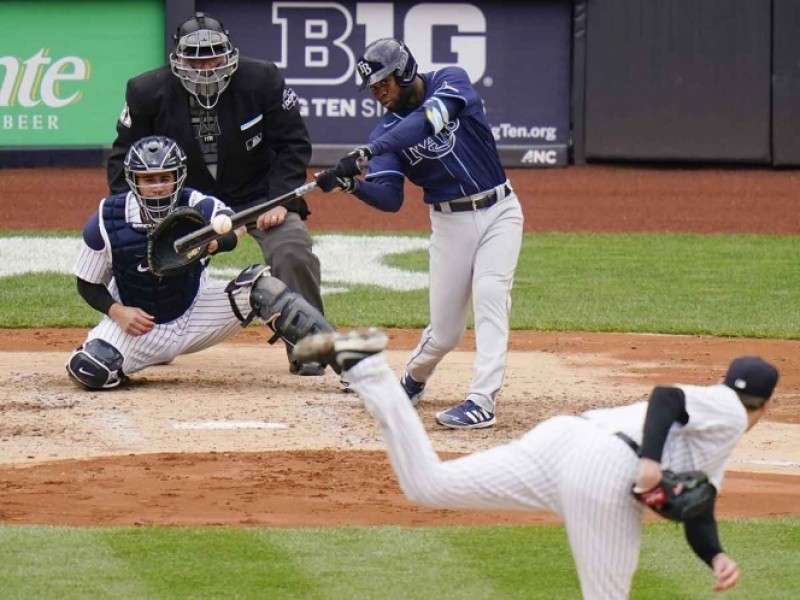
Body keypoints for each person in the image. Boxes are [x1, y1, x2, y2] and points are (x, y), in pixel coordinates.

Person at [293, 328, 780, 599]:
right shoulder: (731, 411)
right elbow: (667, 396)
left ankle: (368, 368)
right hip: (606, 468)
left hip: (564, 439)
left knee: (429, 485)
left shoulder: (714, 433)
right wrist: (651, 462)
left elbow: (701, 505)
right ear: (764, 405)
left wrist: (714, 555)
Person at [314, 38, 524, 428]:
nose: (379, 93)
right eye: (373, 88)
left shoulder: (450, 80)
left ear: (405, 71)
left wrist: (369, 151)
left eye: (384, 83)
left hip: (500, 211)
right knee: (444, 333)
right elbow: (390, 198)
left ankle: (482, 399)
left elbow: (427, 121)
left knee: (491, 295)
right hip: (449, 223)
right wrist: (352, 186)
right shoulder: (385, 134)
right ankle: (414, 378)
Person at [106, 11, 326, 376]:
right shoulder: (146, 91)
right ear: (178, 59)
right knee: (143, 252)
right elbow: (123, 157)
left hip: (259, 197)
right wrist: (140, 216)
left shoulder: (263, 79)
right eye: (196, 59)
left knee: (292, 248)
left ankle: (309, 346)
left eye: (213, 57)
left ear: (229, 53)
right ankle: (152, 340)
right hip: (185, 203)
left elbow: (293, 145)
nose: (206, 66)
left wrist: (281, 200)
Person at [66, 135, 336, 390]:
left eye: (165, 178)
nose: (157, 186)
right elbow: (87, 283)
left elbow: (237, 228)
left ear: (178, 177)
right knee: (88, 370)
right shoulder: (107, 220)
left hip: (196, 314)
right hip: (137, 327)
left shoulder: (197, 203)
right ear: (133, 180)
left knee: (265, 290)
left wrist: (212, 243)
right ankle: (136, 358)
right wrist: (118, 312)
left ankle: (338, 357)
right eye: (148, 179)